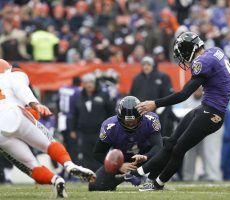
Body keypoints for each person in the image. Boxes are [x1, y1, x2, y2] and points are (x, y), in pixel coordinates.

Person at [123, 31, 230, 191]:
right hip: (204, 108)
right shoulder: (214, 52)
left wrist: (155, 103)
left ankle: (157, 185)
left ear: (190, 49)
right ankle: (139, 173)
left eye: (182, 52)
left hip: (213, 114)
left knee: (178, 149)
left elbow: (184, 94)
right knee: (170, 143)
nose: (182, 57)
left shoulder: (202, 62)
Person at [0, 59, 96, 197]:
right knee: (49, 144)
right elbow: (21, 88)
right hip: (15, 114)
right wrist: (35, 104)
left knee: (31, 166)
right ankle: (69, 165)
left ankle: (55, 180)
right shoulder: (11, 74)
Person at [89, 96, 162, 191]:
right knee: (95, 186)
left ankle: (157, 181)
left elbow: (158, 146)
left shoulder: (150, 119)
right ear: (120, 118)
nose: (130, 124)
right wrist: (118, 166)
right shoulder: (110, 126)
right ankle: (122, 178)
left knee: (168, 144)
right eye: (127, 121)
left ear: (141, 116)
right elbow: (98, 153)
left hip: (145, 158)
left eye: (133, 121)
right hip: (122, 161)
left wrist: (146, 156)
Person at [71, 73, 114, 171]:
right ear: (83, 84)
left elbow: (111, 111)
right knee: (86, 154)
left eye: (91, 82)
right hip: (84, 132)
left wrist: (111, 127)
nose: (89, 85)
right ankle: (88, 175)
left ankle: (100, 174)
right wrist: (73, 129)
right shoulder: (79, 96)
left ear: (95, 83)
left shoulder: (103, 94)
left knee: (100, 153)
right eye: (86, 82)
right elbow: (75, 113)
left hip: (100, 131)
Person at [182, 87, 223, 182]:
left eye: (200, 90)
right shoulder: (187, 101)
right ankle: (188, 176)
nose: (197, 92)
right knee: (189, 153)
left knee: (209, 152)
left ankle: (212, 175)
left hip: (208, 129)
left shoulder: (209, 99)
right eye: (196, 90)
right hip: (191, 129)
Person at [130, 56, 177, 137]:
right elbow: (132, 96)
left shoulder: (163, 77)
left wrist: (161, 110)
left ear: (153, 65)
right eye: (144, 64)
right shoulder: (137, 79)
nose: (146, 67)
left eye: (148, 64)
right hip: (141, 115)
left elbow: (169, 96)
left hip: (159, 113)